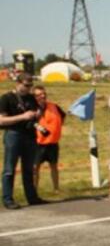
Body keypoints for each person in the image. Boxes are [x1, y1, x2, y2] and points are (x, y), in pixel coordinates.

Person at [0, 73, 43, 209]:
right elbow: (2, 119)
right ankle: (8, 199)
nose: (28, 88)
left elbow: (35, 114)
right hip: (14, 134)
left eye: (30, 85)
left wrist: (37, 115)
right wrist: (22, 116)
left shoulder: (31, 98)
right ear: (18, 83)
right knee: (9, 169)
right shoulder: (6, 98)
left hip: (30, 135)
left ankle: (32, 197)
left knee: (28, 168)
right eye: (26, 85)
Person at [32, 85, 65, 194]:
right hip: (38, 144)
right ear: (34, 97)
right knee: (35, 168)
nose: (43, 96)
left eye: (44, 93)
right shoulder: (32, 108)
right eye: (39, 94)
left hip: (53, 143)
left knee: (54, 166)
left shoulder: (54, 106)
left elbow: (63, 116)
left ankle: (56, 189)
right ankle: (34, 190)